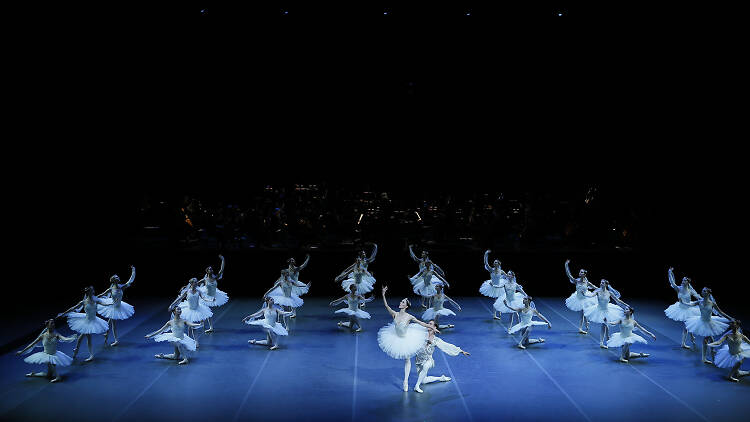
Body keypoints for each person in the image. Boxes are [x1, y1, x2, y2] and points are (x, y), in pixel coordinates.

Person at [377, 285, 435, 392]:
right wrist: (383, 294)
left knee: (407, 360)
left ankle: (405, 381)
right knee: (406, 359)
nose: (400, 303)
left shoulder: (409, 316)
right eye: (401, 301)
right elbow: (386, 306)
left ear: (406, 306)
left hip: (406, 338)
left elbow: (421, 323)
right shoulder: (395, 314)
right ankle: (405, 381)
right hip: (395, 337)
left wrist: (431, 327)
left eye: (403, 302)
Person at [413, 320, 470, 393]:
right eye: (428, 323)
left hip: (428, 359)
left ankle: (416, 386)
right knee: (424, 381)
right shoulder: (421, 335)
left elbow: (447, 346)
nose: (428, 325)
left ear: (434, 327)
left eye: (430, 324)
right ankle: (441, 378)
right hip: (418, 360)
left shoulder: (436, 340)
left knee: (426, 366)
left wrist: (461, 351)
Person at [59, 286, 110, 362]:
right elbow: (73, 308)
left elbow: (103, 303)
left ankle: (76, 350)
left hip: (94, 320)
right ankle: (91, 355)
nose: (93, 291)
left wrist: (110, 303)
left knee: (81, 337)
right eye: (92, 290)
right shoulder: (83, 302)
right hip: (87, 321)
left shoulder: (96, 299)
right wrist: (64, 313)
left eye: (93, 290)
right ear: (88, 292)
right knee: (88, 338)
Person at [684, 287, 734, 364]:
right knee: (708, 337)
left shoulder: (712, 303)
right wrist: (683, 302)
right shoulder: (699, 301)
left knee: (707, 338)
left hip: (709, 322)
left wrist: (729, 318)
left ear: (708, 293)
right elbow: (690, 304)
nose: (702, 292)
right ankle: (708, 354)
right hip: (701, 321)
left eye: (704, 291)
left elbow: (721, 312)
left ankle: (707, 355)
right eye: (702, 290)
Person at [169, 278, 215, 349]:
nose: (197, 284)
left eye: (197, 282)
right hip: (189, 310)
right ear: (191, 283)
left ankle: (192, 340)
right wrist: (172, 305)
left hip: (197, 309)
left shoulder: (198, 291)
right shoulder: (187, 291)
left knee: (192, 326)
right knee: (192, 326)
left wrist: (210, 300)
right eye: (195, 282)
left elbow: (204, 298)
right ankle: (195, 341)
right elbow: (180, 298)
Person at [97, 265, 136, 346]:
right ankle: (115, 340)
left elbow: (131, 280)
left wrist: (133, 270)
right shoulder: (110, 289)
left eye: (118, 277)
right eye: (117, 277)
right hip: (113, 306)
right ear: (113, 280)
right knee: (113, 323)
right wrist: (94, 298)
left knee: (111, 320)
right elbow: (102, 294)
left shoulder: (122, 287)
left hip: (119, 306)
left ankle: (107, 334)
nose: (118, 278)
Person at [583, 279, 629, 348]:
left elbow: (617, 300)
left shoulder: (609, 293)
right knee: (604, 325)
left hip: (607, 310)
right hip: (599, 310)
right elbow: (591, 295)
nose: (601, 284)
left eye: (603, 283)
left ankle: (607, 337)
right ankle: (601, 342)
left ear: (606, 285)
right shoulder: (598, 291)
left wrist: (626, 304)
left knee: (606, 324)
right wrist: (585, 294)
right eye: (601, 282)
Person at [664, 267, 701, 349]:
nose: (682, 281)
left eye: (684, 280)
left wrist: (703, 300)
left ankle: (690, 338)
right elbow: (672, 282)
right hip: (681, 309)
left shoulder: (690, 291)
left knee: (688, 325)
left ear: (688, 283)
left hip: (689, 309)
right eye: (683, 280)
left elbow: (698, 297)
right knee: (687, 325)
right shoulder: (678, 289)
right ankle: (684, 343)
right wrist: (669, 272)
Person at [564, 259, 596, 334]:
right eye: (580, 272)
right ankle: (581, 328)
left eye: (581, 272)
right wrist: (566, 265)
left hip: (585, 298)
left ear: (584, 274)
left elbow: (596, 288)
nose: (580, 273)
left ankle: (585, 323)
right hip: (578, 298)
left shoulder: (588, 283)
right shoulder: (577, 281)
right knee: (583, 313)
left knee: (584, 312)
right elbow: (569, 275)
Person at [198, 255, 227, 333]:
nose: (211, 270)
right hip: (205, 296)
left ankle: (205, 324)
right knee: (206, 310)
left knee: (206, 311)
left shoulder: (215, 277)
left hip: (214, 295)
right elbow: (194, 284)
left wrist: (223, 260)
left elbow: (222, 269)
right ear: (207, 271)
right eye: (209, 269)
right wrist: (186, 288)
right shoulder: (204, 279)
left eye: (212, 269)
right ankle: (208, 326)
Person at [480, 250, 508, 320]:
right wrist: (486, 255)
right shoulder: (491, 270)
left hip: (499, 286)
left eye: (496, 262)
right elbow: (486, 263)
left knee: (501, 300)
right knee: (495, 300)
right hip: (493, 286)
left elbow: (507, 277)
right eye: (494, 262)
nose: (494, 263)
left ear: (498, 264)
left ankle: (499, 309)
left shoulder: (501, 271)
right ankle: (494, 315)